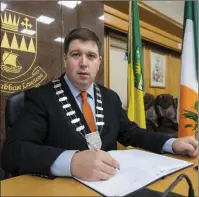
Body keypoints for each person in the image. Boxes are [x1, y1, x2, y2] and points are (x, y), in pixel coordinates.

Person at [2, 28, 198, 182]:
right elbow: (13, 152)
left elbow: (132, 132)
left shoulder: (110, 97)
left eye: (91, 56)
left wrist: (171, 143)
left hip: (113, 184)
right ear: (65, 60)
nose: (84, 63)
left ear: (99, 62)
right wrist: (70, 162)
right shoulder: (41, 97)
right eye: (76, 54)